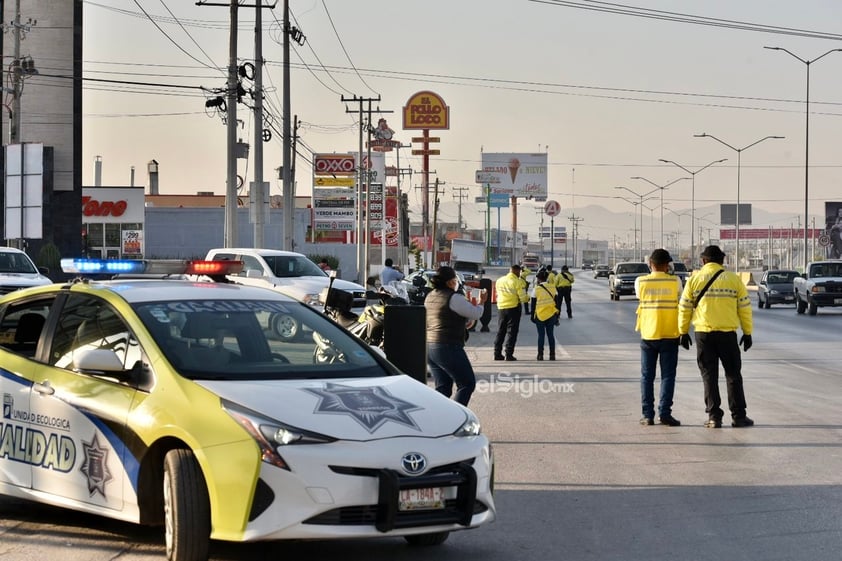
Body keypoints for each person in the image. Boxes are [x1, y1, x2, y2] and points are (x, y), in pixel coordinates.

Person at [678, 245, 754, 429]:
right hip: (727, 335)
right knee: (733, 375)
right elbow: (744, 308)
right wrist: (747, 332)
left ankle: (714, 417)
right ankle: (738, 416)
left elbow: (684, 308)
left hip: (703, 334)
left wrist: (682, 332)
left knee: (709, 376)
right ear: (723, 260)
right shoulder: (734, 280)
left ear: (703, 261)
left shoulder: (694, 279)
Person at [425, 266, 487, 406]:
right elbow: (475, 313)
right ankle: (456, 419)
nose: (456, 282)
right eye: (454, 279)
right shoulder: (454, 298)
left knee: (443, 388)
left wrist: (462, 324)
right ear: (450, 282)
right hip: (447, 346)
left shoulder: (430, 296)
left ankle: (437, 419)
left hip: (430, 347)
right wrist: (482, 301)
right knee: (467, 383)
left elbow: (442, 318)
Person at [634, 249, 683, 427]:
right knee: (668, 376)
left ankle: (648, 415)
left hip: (648, 334)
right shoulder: (675, 281)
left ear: (650, 264)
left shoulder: (641, 281)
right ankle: (665, 414)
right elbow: (681, 300)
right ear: (667, 265)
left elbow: (639, 297)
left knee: (647, 376)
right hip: (670, 333)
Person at [494, 264, 530, 361]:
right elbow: (523, 298)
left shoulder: (499, 280)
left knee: (501, 331)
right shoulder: (518, 282)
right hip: (513, 308)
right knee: (512, 332)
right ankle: (508, 354)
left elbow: (497, 293)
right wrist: (528, 298)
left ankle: (497, 353)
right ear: (517, 272)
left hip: (501, 308)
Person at [530, 268, 558, 360]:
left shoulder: (536, 289)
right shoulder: (553, 287)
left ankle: (540, 355)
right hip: (551, 315)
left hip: (540, 315)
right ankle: (552, 355)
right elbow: (557, 303)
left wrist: (532, 316)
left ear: (538, 279)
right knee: (551, 335)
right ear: (547, 278)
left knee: (541, 335)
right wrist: (557, 315)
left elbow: (533, 304)